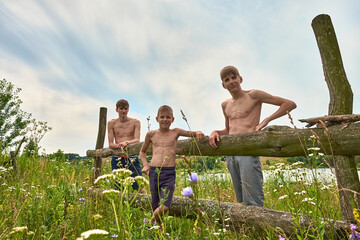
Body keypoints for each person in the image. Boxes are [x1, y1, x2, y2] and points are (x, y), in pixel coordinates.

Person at [209, 66, 296, 207]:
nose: (231, 81)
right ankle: (247, 227)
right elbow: (228, 129)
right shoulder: (225, 104)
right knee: (242, 200)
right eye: (227, 79)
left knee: (253, 200)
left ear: (240, 79)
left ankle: (259, 225)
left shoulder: (254, 95)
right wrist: (215, 132)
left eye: (233, 77)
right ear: (223, 85)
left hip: (248, 151)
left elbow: (290, 104)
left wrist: (266, 120)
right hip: (231, 154)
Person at [139, 105, 204, 226]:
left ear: (172, 119)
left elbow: (191, 133)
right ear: (156, 119)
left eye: (168, 117)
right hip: (153, 172)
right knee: (155, 202)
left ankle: (151, 222)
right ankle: (159, 230)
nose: (165, 119)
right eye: (162, 117)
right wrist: (145, 165)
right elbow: (142, 152)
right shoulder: (151, 134)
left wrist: (198, 132)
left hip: (169, 173)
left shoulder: (176, 132)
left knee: (164, 206)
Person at [108, 99, 143, 191]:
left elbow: (137, 140)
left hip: (132, 157)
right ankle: (120, 205)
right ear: (117, 109)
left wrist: (126, 142)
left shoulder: (135, 122)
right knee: (118, 187)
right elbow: (111, 144)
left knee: (139, 187)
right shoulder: (111, 123)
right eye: (121, 108)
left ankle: (146, 204)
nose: (124, 111)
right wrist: (120, 146)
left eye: (126, 108)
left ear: (128, 109)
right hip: (117, 158)